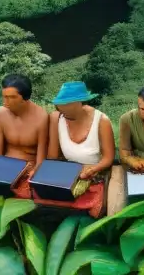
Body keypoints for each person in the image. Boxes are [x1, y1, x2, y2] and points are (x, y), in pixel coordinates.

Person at [44, 81, 115, 216]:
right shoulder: (56, 118)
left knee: (92, 210)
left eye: (66, 108)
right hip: (69, 173)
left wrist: (92, 170)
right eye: (60, 109)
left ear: (78, 103)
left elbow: (108, 158)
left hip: (94, 174)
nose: (63, 113)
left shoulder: (102, 120)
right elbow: (52, 157)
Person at [0, 73, 48, 197]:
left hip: (27, 168)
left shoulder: (41, 117)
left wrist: (35, 172)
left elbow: (42, 154)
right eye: (4, 97)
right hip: (5, 165)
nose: (6, 102)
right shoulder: (0, 113)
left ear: (24, 98)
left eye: (11, 97)